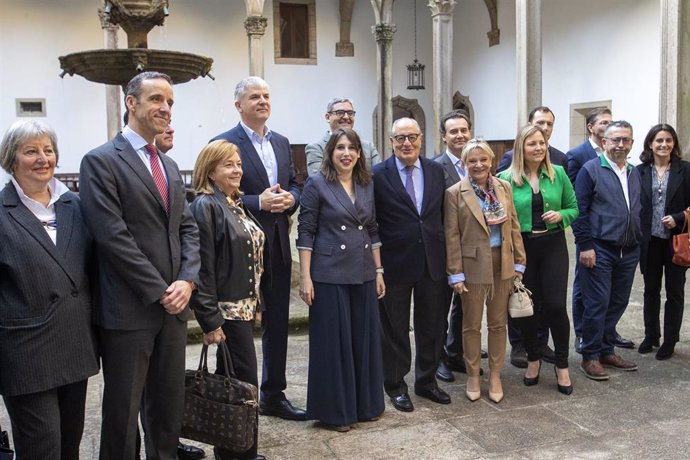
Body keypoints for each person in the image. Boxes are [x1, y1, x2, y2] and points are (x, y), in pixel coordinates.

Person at [79, 71, 201, 459]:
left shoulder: (167, 164)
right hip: (129, 311)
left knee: (167, 409)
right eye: (156, 100)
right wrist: (159, 289)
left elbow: (187, 229)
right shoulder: (100, 162)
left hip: (173, 309)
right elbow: (112, 236)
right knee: (122, 413)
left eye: (169, 102)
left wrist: (187, 280)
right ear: (131, 102)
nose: (165, 108)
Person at [0, 120, 99, 458]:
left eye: (48, 150)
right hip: (26, 354)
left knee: (69, 445)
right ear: (12, 160)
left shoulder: (75, 206)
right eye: (31, 151)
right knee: (42, 449)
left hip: (74, 345)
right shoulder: (1, 213)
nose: (43, 158)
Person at [210, 76, 305, 421]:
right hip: (239, 252)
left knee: (277, 322)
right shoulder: (223, 143)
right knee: (236, 325)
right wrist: (257, 202)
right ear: (239, 105)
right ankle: (234, 396)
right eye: (254, 97)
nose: (263, 101)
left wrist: (292, 197)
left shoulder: (281, 142)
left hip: (277, 244)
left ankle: (273, 394)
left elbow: (296, 183)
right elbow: (212, 196)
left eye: (266, 95)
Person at [297, 128, 385, 432]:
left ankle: (365, 405)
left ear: (359, 153)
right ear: (330, 153)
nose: (346, 153)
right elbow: (305, 231)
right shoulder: (317, 183)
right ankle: (335, 412)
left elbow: (372, 228)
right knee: (334, 344)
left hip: (362, 270)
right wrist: (305, 277)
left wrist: (379, 271)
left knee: (363, 339)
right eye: (340, 148)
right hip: (328, 273)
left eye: (352, 148)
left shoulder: (366, 183)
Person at [189, 139, 266, 460]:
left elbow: (251, 257)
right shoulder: (206, 206)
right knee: (243, 383)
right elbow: (202, 267)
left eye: (238, 163)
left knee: (235, 382)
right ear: (210, 170)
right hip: (226, 313)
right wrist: (209, 320)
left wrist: (257, 304)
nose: (237, 170)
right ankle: (239, 452)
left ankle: (237, 449)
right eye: (228, 165)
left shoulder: (233, 202)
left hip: (243, 309)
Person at [373, 117, 452, 413]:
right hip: (395, 263)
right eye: (400, 138)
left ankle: (427, 381)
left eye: (412, 137)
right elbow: (372, 221)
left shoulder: (435, 170)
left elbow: (444, 215)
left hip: (433, 261)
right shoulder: (378, 174)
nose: (406, 143)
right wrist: (377, 266)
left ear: (421, 138)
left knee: (432, 325)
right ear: (391, 141)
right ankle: (395, 385)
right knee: (394, 328)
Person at [444, 139, 526, 404]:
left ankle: (495, 375)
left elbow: (513, 225)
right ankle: (473, 375)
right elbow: (452, 235)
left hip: (502, 262)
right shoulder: (455, 192)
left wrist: (519, 263)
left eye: (483, 160)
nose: (478, 165)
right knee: (471, 325)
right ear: (465, 164)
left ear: (491, 161)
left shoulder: (503, 187)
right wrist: (455, 273)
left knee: (498, 324)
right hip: (472, 266)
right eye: (472, 161)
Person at [498, 125, 578, 395]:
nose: (538, 148)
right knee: (527, 307)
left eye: (542, 143)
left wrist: (561, 216)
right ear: (521, 147)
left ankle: (562, 365)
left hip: (553, 245)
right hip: (522, 250)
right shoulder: (505, 179)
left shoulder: (559, 175)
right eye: (532, 143)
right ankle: (533, 359)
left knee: (555, 305)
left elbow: (574, 208)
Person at [572, 120, 642, 381]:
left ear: (632, 143)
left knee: (618, 301)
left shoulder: (634, 172)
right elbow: (580, 212)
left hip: (629, 249)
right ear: (604, 142)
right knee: (596, 303)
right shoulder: (591, 170)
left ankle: (606, 349)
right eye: (615, 140)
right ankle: (590, 355)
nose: (620, 144)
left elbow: (638, 209)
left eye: (626, 140)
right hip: (599, 249)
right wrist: (586, 245)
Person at [432, 109, 485, 383]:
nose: (460, 135)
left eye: (464, 130)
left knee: (466, 305)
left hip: (474, 249)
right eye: (453, 131)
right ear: (444, 136)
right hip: (445, 248)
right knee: (441, 305)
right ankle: (438, 357)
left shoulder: (479, 164)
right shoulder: (434, 167)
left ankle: (456, 352)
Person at [636, 124, 690, 360]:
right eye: (659, 140)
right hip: (649, 241)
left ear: (674, 144)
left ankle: (670, 340)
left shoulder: (685, 170)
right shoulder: (639, 171)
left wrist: (678, 218)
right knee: (650, 291)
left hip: (675, 241)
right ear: (650, 143)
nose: (664, 144)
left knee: (675, 292)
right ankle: (651, 336)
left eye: (669, 140)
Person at [305, 97, 379, 174]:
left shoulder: (368, 146)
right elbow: (318, 181)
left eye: (350, 113)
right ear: (327, 117)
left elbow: (379, 175)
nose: (346, 117)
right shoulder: (316, 148)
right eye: (340, 112)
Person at [496, 106, 567, 175]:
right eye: (540, 123)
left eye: (549, 124)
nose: (545, 128)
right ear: (529, 125)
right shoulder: (511, 157)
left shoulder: (561, 158)